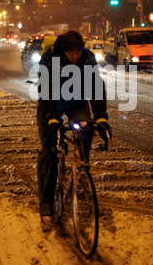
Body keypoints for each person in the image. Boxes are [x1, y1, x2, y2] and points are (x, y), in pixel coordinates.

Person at [37, 30, 111, 224]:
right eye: (72, 52)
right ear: (64, 50)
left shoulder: (87, 58)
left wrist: (101, 117)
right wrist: (52, 117)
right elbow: (44, 88)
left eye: (78, 51)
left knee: (87, 128)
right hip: (51, 103)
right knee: (50, 151)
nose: (76, 56)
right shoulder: (50, 58)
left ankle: (81, 171)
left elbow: (95, 85)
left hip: (76, 103)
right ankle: (46, 202)